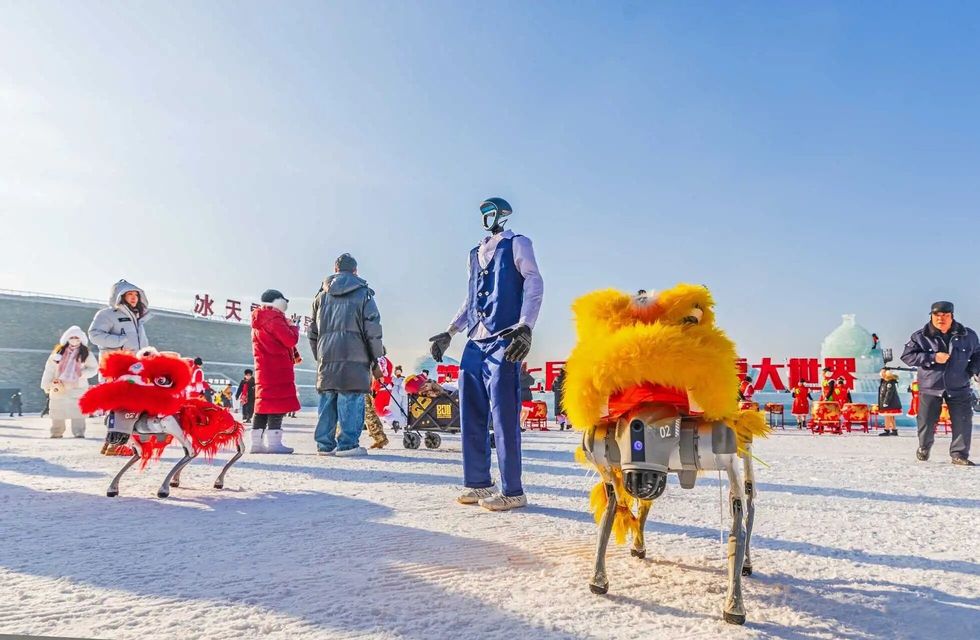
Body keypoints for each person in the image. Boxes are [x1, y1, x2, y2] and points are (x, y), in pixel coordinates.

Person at [428, 197, 544, 511]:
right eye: (482, 212)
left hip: (504, 336)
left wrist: (525, 325)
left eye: (489, 211)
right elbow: (470, 299)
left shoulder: (517, 243)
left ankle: (512, 489)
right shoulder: (473, 252)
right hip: (475, 339)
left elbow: (534, 282)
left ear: (503, 215)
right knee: (470, 412)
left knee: (504, 414)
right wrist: (450, 331)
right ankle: (478, 482)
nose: (486, 216)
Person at [309, 253, 385, 457]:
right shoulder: (364, 294)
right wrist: (375, 358)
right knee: (351, 399)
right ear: (355, 271)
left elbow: (312, 332)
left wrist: (321, 356)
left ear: (335, 270)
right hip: (355, 358)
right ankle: (348, 445)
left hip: (326, 358)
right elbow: (373, 331)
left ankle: (324, 445)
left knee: (327, 400)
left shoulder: (320, 296)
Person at [901, 301, 980, 465]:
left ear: (952, 316)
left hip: (959, 387)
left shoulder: (968, 336)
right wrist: (932, 358)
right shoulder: (920, 336)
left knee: (963, 421)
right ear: (931, 316)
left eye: (945, 315)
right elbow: (907, 357)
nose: (940, 318)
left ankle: (959, 455)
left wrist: (973, 371)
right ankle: (924, 446)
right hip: (930, 387)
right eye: (937, 315)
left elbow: (978, 355)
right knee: (926, 422)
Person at [249, 289, 301, 454]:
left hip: (263, 368)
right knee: (277, 405)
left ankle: (256, 444)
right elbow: (290, 340)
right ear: (276, 301)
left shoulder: (258, 319)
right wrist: (294, 327)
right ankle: (274, 444)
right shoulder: (274, 318)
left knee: (262, 405)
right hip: (278, 368)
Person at [40, 327, 99, 438]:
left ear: (81, 339)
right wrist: (46, 384)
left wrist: (81, 374)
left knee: (78, 411)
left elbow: (93, 368)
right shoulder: (57, 353)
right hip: (59, 386)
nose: (74, 340)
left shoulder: (86, 353)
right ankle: (56, 432)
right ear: (67, 338)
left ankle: (79, 432)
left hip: (78, 386)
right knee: (57, 410)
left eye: (76, 337)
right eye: (71, 337)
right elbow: (49, 370)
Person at [88, 280, 150, 359]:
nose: (134, 297)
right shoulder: (107, 314)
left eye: (136, 294)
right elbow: (95, 336)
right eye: (130, 294)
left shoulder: (137, 317)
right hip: (116, 364)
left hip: (137, 364)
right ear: (120, 296)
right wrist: (121, 341)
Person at [877, 369, 902, 436]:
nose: (880, 374)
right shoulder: (885, 382)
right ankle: (894, 430)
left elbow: (889, 393)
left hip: (889, 404)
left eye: (882, 373)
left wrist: (885, 402)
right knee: (891, 417)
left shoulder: (889, 382)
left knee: (887, 416)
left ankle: (887, 430)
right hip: (890, 403)